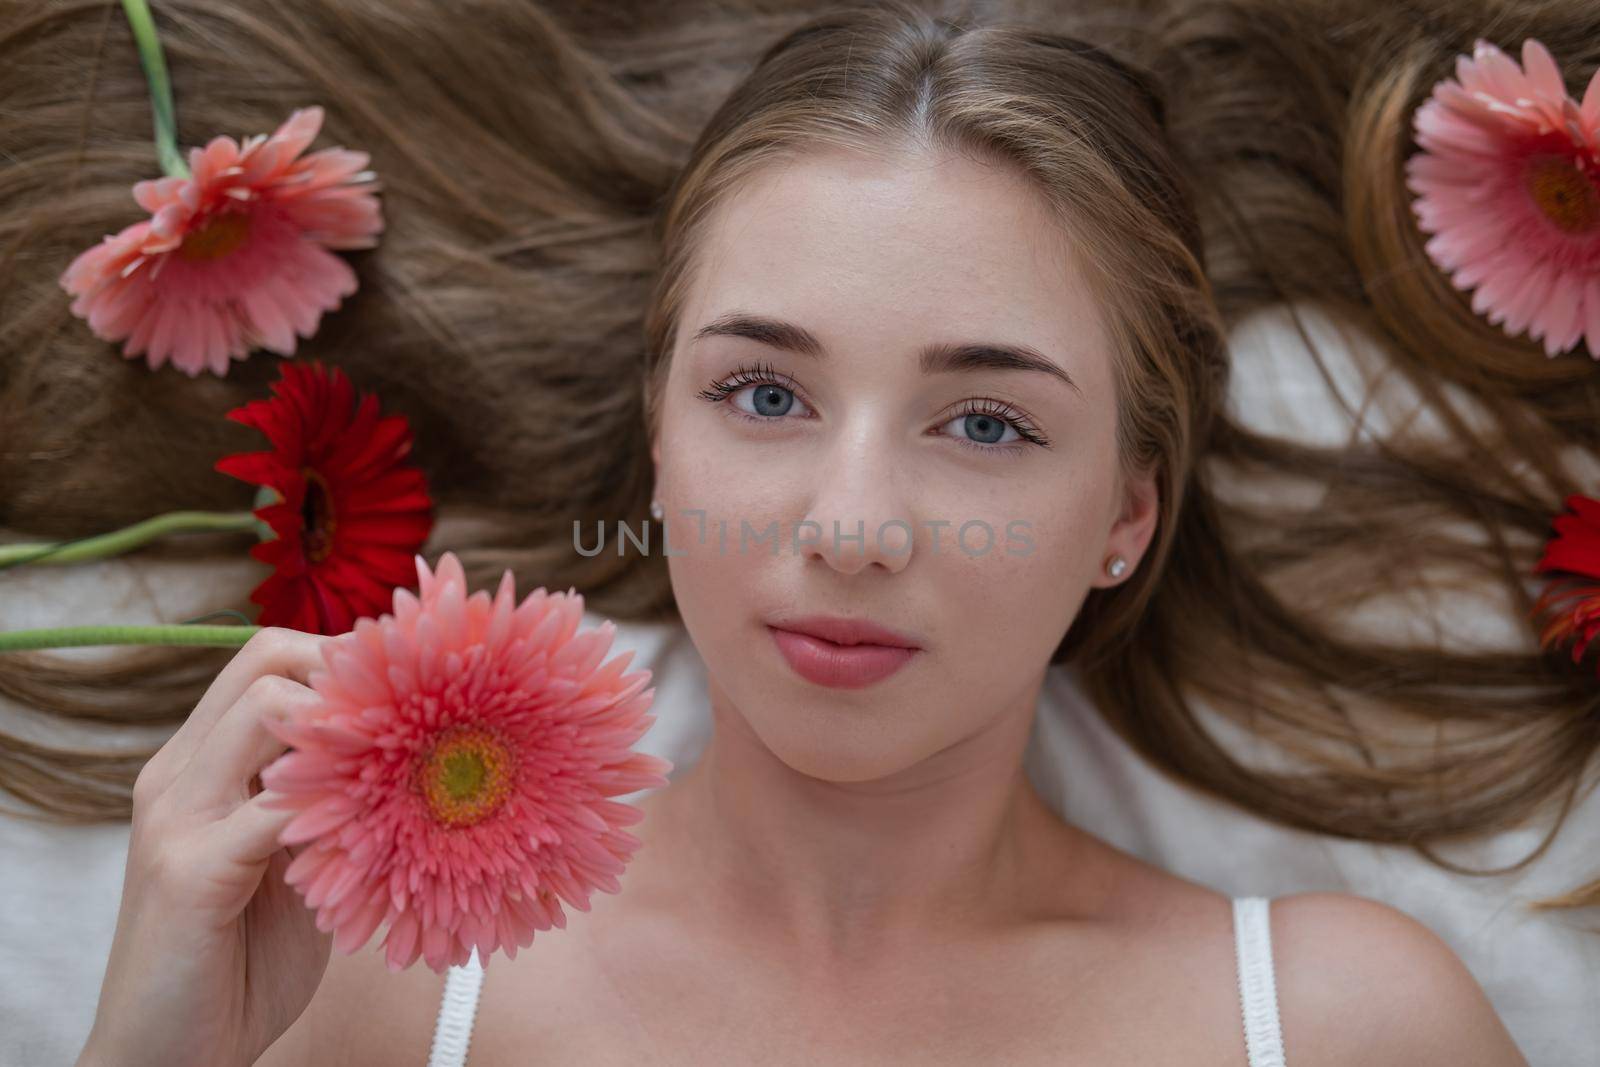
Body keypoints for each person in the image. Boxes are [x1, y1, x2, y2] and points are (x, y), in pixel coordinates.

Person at [63, 1, 1561, 1063]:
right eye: (765, 392)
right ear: (659, 437)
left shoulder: (1339, 1025)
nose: (851, 527)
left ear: (1124, 514)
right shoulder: (373, 985)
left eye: (986, 424)